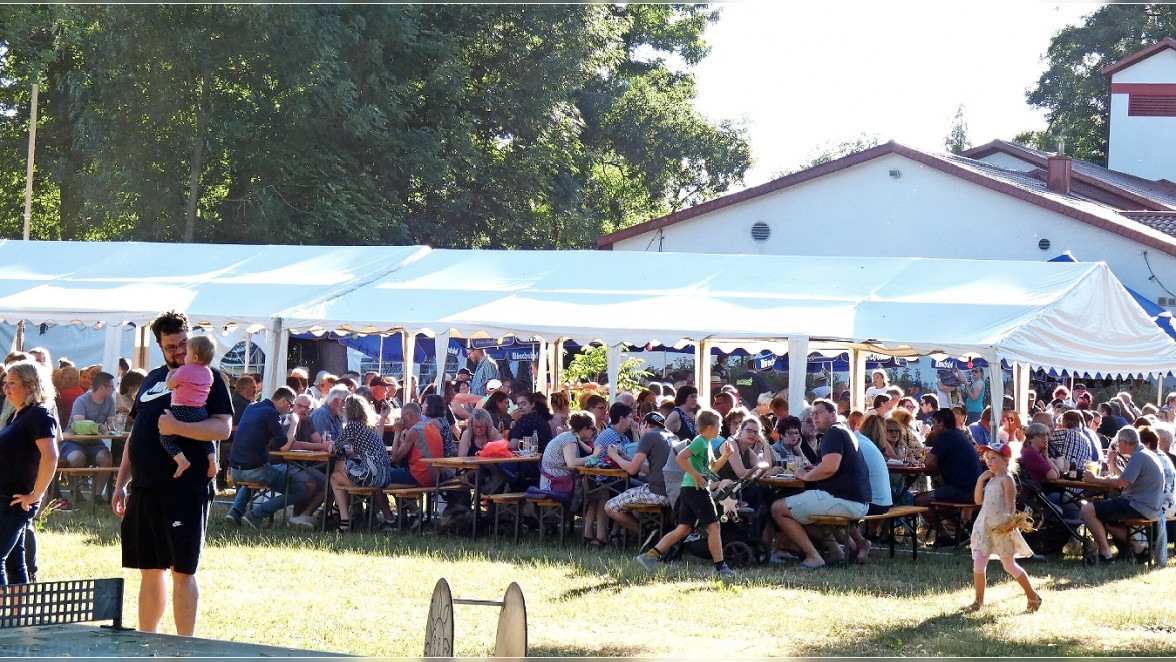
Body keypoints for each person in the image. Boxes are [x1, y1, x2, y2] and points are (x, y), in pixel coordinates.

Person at [112, 310, 232, 635]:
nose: (179, 351)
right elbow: (135, 435)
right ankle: (146, 643)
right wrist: (121, 482)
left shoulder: (210, 375)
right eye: (171, 347)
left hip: (185, 488)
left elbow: (222, 428)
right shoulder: (152, 379)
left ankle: (184, 648)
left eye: (183, 344)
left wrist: (177, 427)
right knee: (149, 569)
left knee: (182, 570)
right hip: (144, 488)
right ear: (160, 347)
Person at [635, 409, 737, 579]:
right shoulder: (699, 442)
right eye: (719, 426)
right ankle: (720, 567)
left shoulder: (707, 444)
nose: (721, 429)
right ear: (711, 427)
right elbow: (680, 458)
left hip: (690, 489)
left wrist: (726, 456)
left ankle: (649, 556)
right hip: (695, 489)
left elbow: (712, 468)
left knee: (683, 529)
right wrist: (695, 474)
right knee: (714, 526)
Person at [770, 399, 870, 569]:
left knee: (777, 509)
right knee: (801, 512)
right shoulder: (844, 431)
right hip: (858, 500)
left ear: (833, 415)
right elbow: (832, 466)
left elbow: (830, 467)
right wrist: (815, 468)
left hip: (843, 499)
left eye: (819, 413)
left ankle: (813, 557)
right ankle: (839, 551)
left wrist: (806, 475)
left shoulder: (833, 433)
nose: (815, 418)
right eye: (812, 414)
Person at [225, 386, 324, 529]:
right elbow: (285, 446)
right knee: (299, 490)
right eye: (291, 405)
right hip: (255, 470)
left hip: (234, 469)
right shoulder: (271, 413)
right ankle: (255, 515)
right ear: (283, 401)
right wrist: (294, 424)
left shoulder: (252, 406)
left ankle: (235, 512)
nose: (289, 409)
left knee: (254, 476)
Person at [0, 361, 59, 587]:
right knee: (15, 563)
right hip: (6, 499)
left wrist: (35, 495)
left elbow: (51, 456)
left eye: (12, 383)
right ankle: (18, 619)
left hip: (14, 502)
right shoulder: (16, 416)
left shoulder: (39, 415)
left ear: (31, 385)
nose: (6, 388)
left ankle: (5, 619)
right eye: (5, 383)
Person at [968, 439, 1041, 613]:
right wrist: (980, 481)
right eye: (987, 457)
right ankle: (979, 600)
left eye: (993, 458)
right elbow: (978, 501)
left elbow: (1010, 505)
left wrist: (1007, 521)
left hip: (1001, 528)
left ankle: (1033, 595)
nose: (989, 461)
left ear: (1005, 460)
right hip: (985, 526)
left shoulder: (1006, 479)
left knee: (1009, 565)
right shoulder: (991, 480)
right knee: (979, 562)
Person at [1080, 426, 1165, 563]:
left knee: (1087, 509)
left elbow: (1120, 483)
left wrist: (1094, 479)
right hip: (1149, 505)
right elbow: (1127, 479)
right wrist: (1114, 466)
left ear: (1124, 442)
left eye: (1118, 443)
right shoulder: (1144, 453)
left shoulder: (1138, 456)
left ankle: (1106, 554)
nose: (1118, 447)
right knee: (1103, 517)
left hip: (1138, 504)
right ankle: (1139, 547)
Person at [329, 395, 396, 531]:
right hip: (384, 476)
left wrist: (343, 451)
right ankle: (339, 511)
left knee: (335, 477)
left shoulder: (353, 425)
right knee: (340, 469)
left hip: (371, 477)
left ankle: (343, 518)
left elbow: (336, 448)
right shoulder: (369, 426)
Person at [605, 411, 675, 535]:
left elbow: (632, 470)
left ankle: (645, 535)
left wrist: (614, 456)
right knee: (632, 494)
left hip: (657, 493)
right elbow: (649, 470)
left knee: (610, 507)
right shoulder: (672, 437)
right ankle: (653, 533)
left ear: (646, 424)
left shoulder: (649, 436)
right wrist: (624, 456)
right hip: (672, 493)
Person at [158, 336, 217, 479]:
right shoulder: (209, 373)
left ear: (195, 357)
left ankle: (182, 461)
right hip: (200, 411)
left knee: (165, 437)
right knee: (206, 438)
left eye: (187, 353)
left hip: (182, 410)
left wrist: (169, 376)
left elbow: (170, 385)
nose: (184, 355)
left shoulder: (184, 370)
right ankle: (213, 460)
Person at [61, 370, 117, 501]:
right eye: (111, 386)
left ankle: (97, 495)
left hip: (94, 442)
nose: (114, 389)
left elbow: (112, 424)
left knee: (106, 458)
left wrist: (111, 426)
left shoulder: (109, 401)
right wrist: (98, 427)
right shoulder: (81, 400)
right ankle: (75, 491)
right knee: (76, 458)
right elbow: (78, 422)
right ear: (102, 387)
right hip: (74, 441)